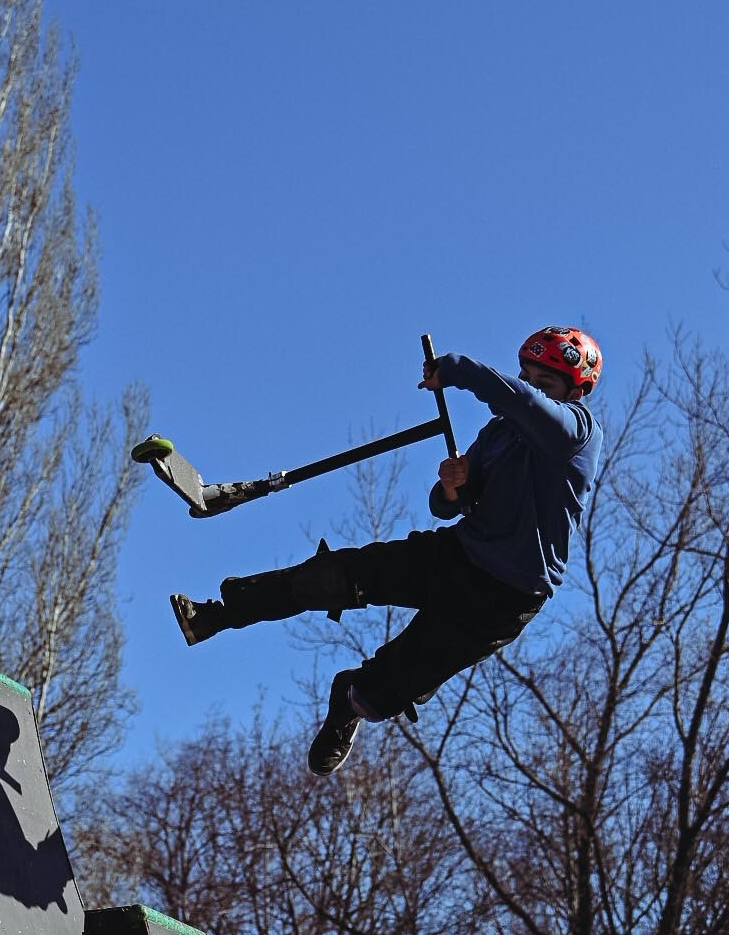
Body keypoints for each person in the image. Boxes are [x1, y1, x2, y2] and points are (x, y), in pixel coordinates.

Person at [171, 327, 603, 776]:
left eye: (546, 383)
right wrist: (454, 488)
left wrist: (458, 369)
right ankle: (218, 615)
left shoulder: (576, 434)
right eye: (526, 374)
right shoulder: (499, 434)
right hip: (456, 554)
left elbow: (520, 401)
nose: (532, 386)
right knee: (331, 577)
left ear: (575, 392)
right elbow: (444, 505)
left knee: (381, 693)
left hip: (501, 599)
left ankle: (348, 704)